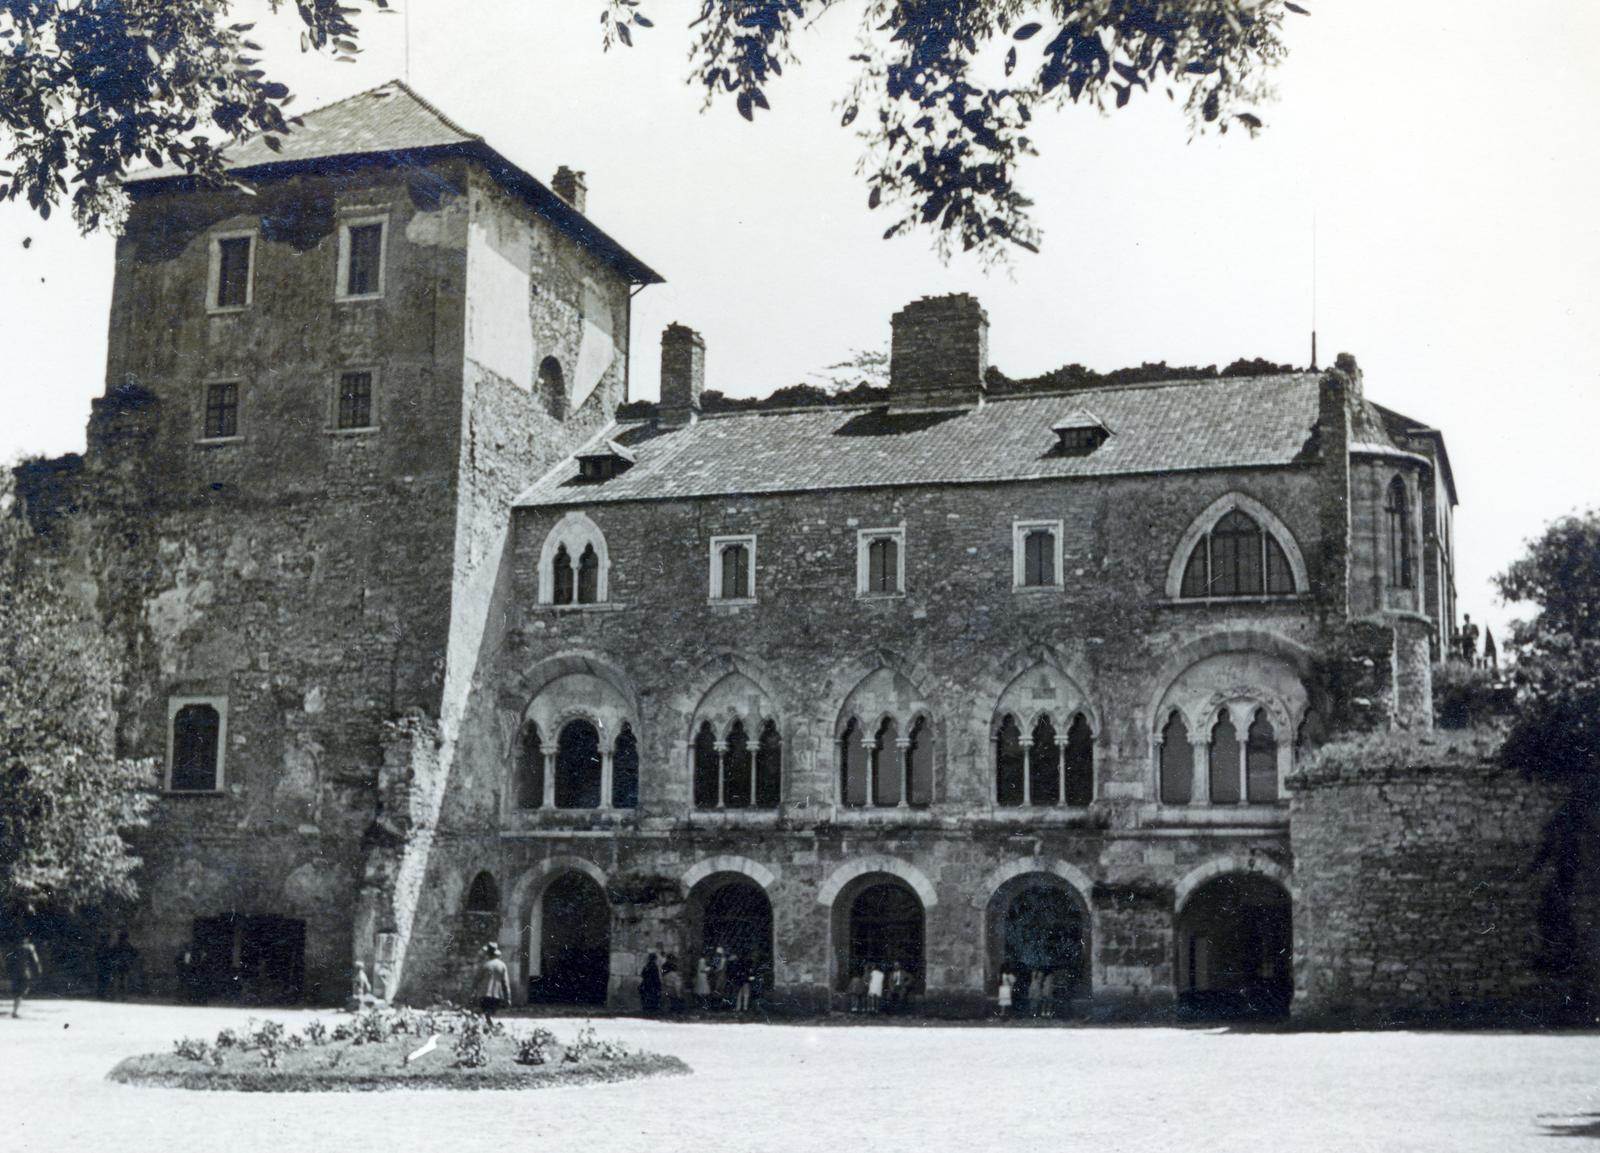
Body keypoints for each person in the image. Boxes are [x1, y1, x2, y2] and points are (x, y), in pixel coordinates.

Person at [475, 943, 510, 1026]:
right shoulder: (502, 965)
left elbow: (476, 980)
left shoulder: (484, 965)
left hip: (484, 995)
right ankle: (490, 1026)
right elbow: (505, 983)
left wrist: (473, 993)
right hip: (496, 996)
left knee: (485, 1014)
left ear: (488, 954)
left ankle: (489, 1026)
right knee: (490, 1013)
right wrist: (508, 998)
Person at [7, 934, 41, 1018]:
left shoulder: (14, 947)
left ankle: (15, 1010)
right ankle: (15, 1011)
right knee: (22, 990)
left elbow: (8, 960)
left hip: (15, 972)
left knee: (17, 992)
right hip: (25, 973)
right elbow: (35, 959)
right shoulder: (30, 947)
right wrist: (38, 967)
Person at [639, 944, 663, 1014]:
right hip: (652, 986)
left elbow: (642, 974)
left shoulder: (646, 966)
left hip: (646, 985)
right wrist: (659, 986)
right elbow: (656, 977)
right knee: (652, 1000)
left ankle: (647, 1010)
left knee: (647, 1001)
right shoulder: (654, 967)